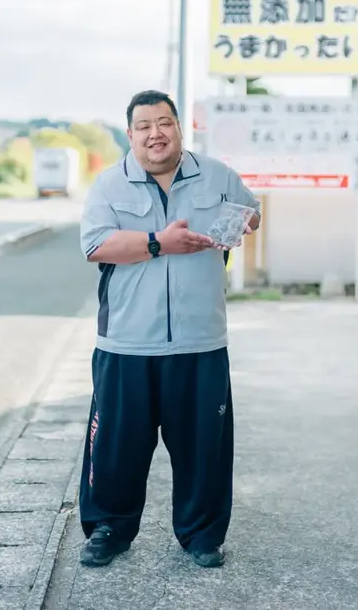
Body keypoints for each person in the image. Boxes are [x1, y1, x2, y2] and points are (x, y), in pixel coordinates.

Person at [77, 89, 260, 569]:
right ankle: (108, 529)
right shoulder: (109, 185)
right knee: (116, 445)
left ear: (180, 128)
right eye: (144, 126)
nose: (155, 133)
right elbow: (95, 245)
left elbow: (251, 211)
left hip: (200, 341)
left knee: (204, 448)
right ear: (131, 134)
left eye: (165, 123)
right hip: (126, 342)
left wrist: (241, 224)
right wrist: (160, 242)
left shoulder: (217, 175)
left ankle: (202, 534)